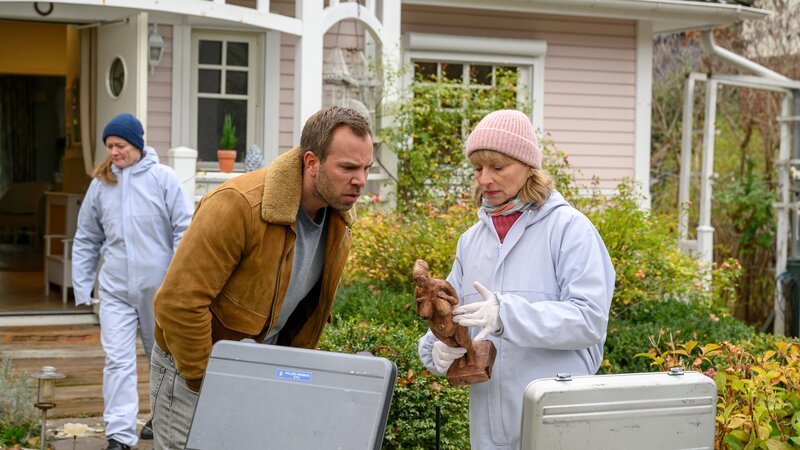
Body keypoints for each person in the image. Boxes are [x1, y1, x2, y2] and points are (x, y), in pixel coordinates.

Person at [150, 105, 374, 449]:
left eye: (365, 168)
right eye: (348, 167)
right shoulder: (237, 205)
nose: (360, 180)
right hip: (191, 368)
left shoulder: (340, 218)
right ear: (311, 162)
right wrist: (209, 379)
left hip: (259, 369)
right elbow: (178, 304)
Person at [418, 109, 615, 450]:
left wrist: (505, 315)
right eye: (478, 168)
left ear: (528, 167)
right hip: (488, 432)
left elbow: (589, 320)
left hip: (557, 428)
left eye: (498, 167)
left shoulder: (569, 230)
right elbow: (451, 314)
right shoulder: (471, 241)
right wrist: (437, 347)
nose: (484, 179)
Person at [72, 113, 193, 450]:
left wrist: (178, 281)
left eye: (120, 145)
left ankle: (161, 415)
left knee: (163, 355)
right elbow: (86, 237)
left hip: (160, 290)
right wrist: (83, 286)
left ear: (137, 144)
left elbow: (185, 230)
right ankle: (120, 435)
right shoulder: (101, 185)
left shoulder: (164, 179)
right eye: (109, 146)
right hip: (115, 289)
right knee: (118, 360)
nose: (113, 151)